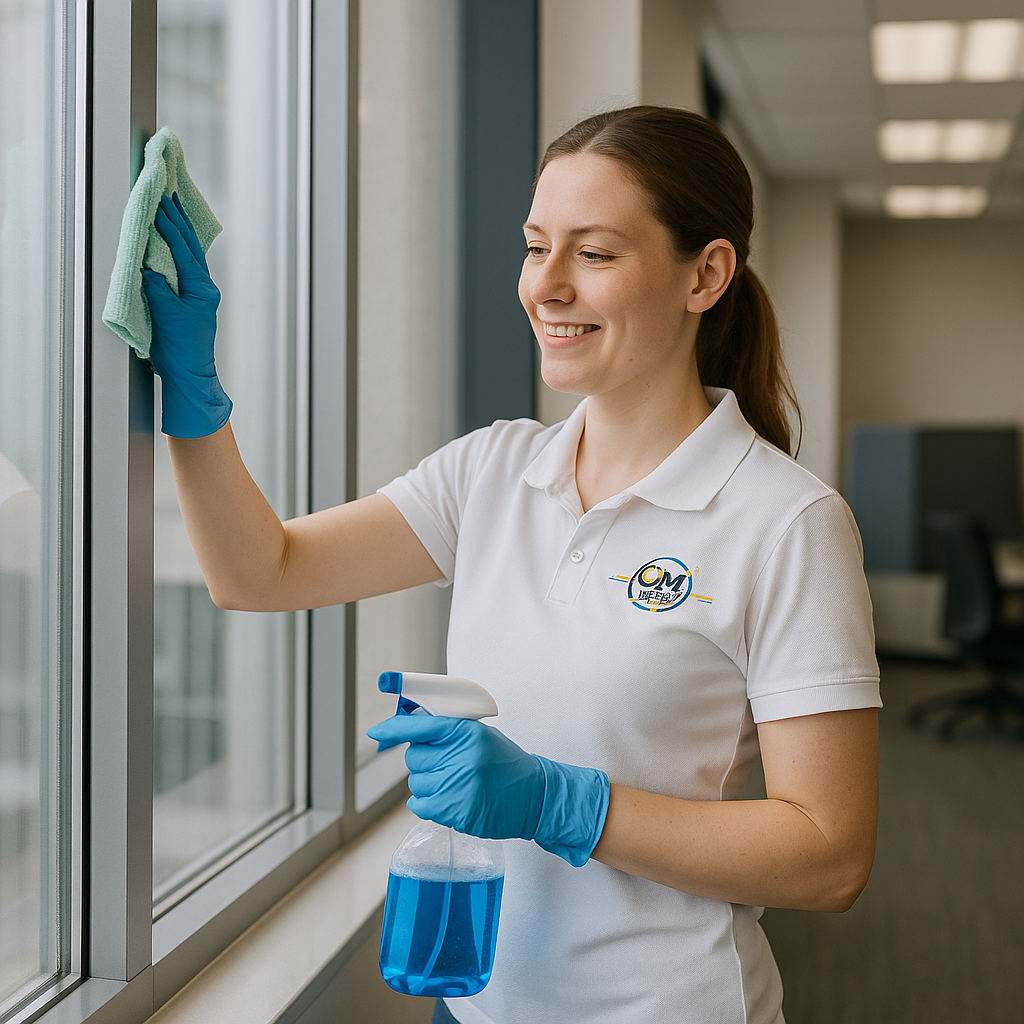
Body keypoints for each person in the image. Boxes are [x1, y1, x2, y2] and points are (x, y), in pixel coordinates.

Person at [143, 106, 880, 1024]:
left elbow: (830, 854)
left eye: (596, 254)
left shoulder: (786, 522)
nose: (547, 286)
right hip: (484, 1005)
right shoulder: (491, 471)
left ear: (708, 273)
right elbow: (262, 572)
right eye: (536, 248)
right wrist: (193, 397)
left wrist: (559, 803)